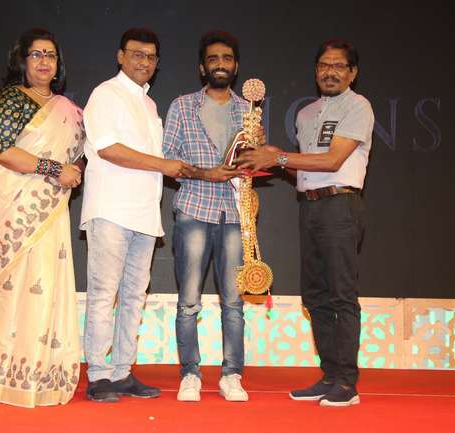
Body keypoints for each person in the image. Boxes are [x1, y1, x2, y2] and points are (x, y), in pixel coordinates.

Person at [235, 39, 374, 407]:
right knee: (315, 295)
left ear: (352, 73)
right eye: (324, 65)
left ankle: (347, 382)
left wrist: (277, 157)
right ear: (315, 71)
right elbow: (302, 166)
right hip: (309, 207)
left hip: (341, 205)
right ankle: (329, 376)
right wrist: (263, 155)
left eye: (339, 66)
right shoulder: (306, 113)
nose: (330, 72)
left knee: (341, 294)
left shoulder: (358, 106)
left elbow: (332, 161)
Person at [80, 27, 192, 402]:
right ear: (120, 56)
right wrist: (165, 165)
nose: (144, 62)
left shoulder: (149, 105)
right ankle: (98, 375)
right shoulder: (105, 94)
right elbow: (108, 148)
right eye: (137, 54)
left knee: (133, 297)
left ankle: (122, 371)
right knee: (104, 295)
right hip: (111, 209)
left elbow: (156, 160)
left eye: (151, 57)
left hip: (145, 215)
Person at [0, 28, 84, 407]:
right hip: (12, 205)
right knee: (12, 285)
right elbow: (4, 151)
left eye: (50, 55)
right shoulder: (11, 98)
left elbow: (79, 158)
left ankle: (44, 371)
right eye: (36, 54)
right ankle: (3, 376)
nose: (43, 61)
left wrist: (73, 170)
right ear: (22, 61)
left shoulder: (69, 110)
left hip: (49, 209)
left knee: (45, 281)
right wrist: (55, 168)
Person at [163, 30, 250, 402]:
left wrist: (251, 169)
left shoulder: (248, 110)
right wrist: (206, 173)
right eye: (213, 58)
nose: (220, 64)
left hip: (234, 214)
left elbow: (253, 163)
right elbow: (168, 160)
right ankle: (190, 374)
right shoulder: (182, 106)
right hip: (194, 210)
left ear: (236, 66)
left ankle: (232, 375)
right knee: (188, 301)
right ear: (202, 67)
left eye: (227, 58)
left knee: (234, 302)